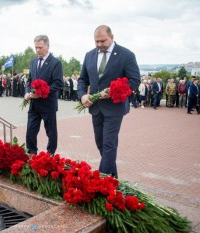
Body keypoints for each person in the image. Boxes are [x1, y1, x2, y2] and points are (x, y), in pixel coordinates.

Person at [77, 25, 140, 178]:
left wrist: (113, 91)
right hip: (95, 107)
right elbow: (82, 79)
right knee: (101, 143)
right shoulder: (89, 55)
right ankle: (113, 180)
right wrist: (82, 95)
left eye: (103, 41)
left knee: (109, 144)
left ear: (112, 37)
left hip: (115, 107)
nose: (99, 45)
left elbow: (134, 80)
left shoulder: (126, 55)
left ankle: (101, 180)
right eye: (96, 41)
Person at [25, 35, 63, 155]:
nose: (38, 50)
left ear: (47, 46)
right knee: (30, 131)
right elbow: (29, 80)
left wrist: (41, 93)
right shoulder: (33, 62)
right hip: (34, 105)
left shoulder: (56, 63)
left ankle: (50, 154)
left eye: (40, 47)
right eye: (36, 48)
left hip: (48, 104)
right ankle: (32, 153)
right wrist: (27, 93)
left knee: (51, 132)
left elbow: (58, 83)